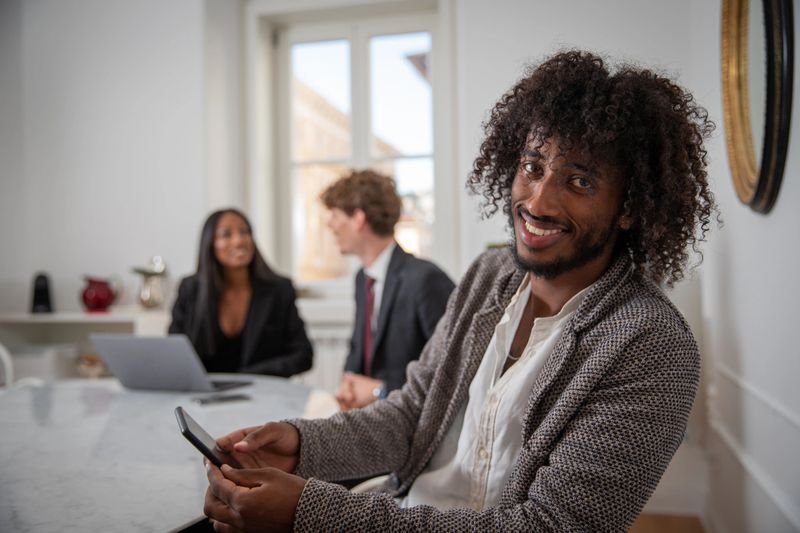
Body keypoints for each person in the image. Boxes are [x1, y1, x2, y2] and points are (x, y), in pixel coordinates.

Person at [201, 50, 717, 531]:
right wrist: (300, 443)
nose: (538, 201)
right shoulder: (488, 277)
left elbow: (551, 526)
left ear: (629, 207)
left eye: (580, 181)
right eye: (533, 167)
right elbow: (411, 416)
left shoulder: (651, 345)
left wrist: (313, 513)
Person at [320, 170, 454, 410]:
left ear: (358, 219)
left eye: (335, 214)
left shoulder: (425, 279)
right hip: (371, 416)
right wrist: (349, 383)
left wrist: (380, 390)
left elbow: (450, 369)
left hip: (412, 419)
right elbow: (358, 349)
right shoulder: (363, 278)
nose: (329, 224)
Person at [169, 208, 313, 377]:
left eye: (245, 232)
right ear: (210, 243)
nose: (238, 241)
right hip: (204, 395)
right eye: (226, 234)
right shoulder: (190, 289)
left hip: (261, 392)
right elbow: (175, 353)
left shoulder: (279, 290)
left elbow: (303, 355)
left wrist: (248, 376)